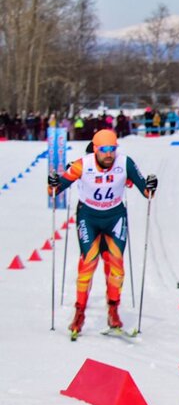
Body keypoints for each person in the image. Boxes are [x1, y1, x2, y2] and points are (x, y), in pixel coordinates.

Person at [48, 129, 157, 339]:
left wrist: (151, 185)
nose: (109, 154)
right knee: (88, 262)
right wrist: (53, 183)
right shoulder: (83, 164)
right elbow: (56, 189)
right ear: (96, 149)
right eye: (105, 150)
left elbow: (146, 191)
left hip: (115, 217)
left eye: (113, 149)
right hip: (88, 217)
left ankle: (113, 311)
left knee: (117, 265)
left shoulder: (125, 163)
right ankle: (79, 312)